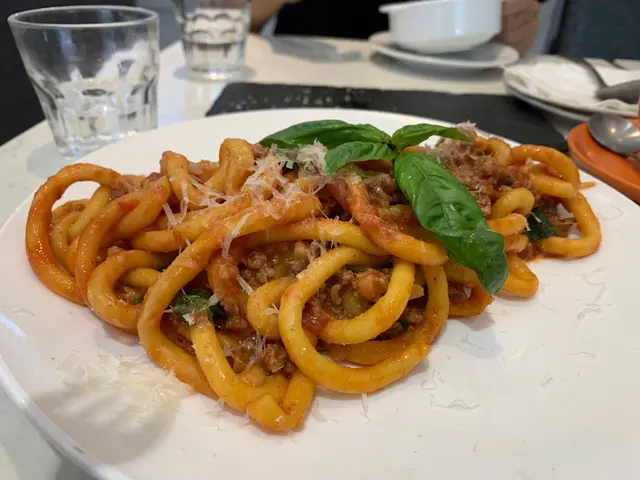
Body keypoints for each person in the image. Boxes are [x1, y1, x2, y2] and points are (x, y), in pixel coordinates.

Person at [252, 0, 542, 55]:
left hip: (467, 74)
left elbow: (521, 19)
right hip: (298, 63)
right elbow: (241, 16)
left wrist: (513, 20)